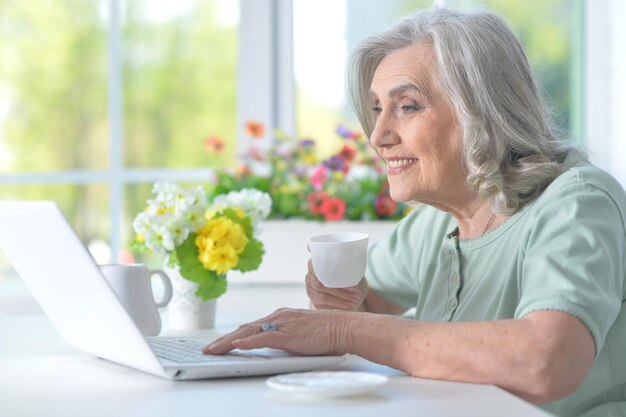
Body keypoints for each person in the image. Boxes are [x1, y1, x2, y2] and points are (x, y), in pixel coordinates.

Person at [203, 8, 626, 416]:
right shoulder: (441, 219)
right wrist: (340, 303)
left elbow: (547, 361)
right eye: (376, 109)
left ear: (481, 109)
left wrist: (343, 328)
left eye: (407, 106)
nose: (379, 136)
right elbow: (365, 305)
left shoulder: (576, 203)